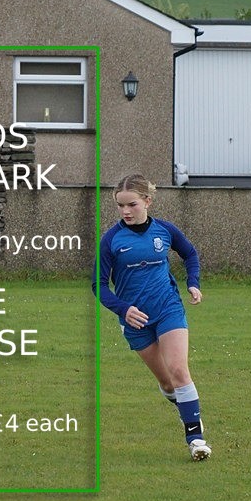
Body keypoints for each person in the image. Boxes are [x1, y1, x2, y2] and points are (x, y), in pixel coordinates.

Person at [93, 173, 211, 461]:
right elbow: (99, 284)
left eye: (131, 204)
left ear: (147, 201)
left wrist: (193, 282)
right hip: (136, 322)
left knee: (179, 370)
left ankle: (195, 438)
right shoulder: (111, 240)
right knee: (169, 384)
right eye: (120, 205)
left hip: (168, 309)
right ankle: (186, 408)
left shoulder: (165, 230)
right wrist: (124, 309)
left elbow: (190, 254)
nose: (125, 211)